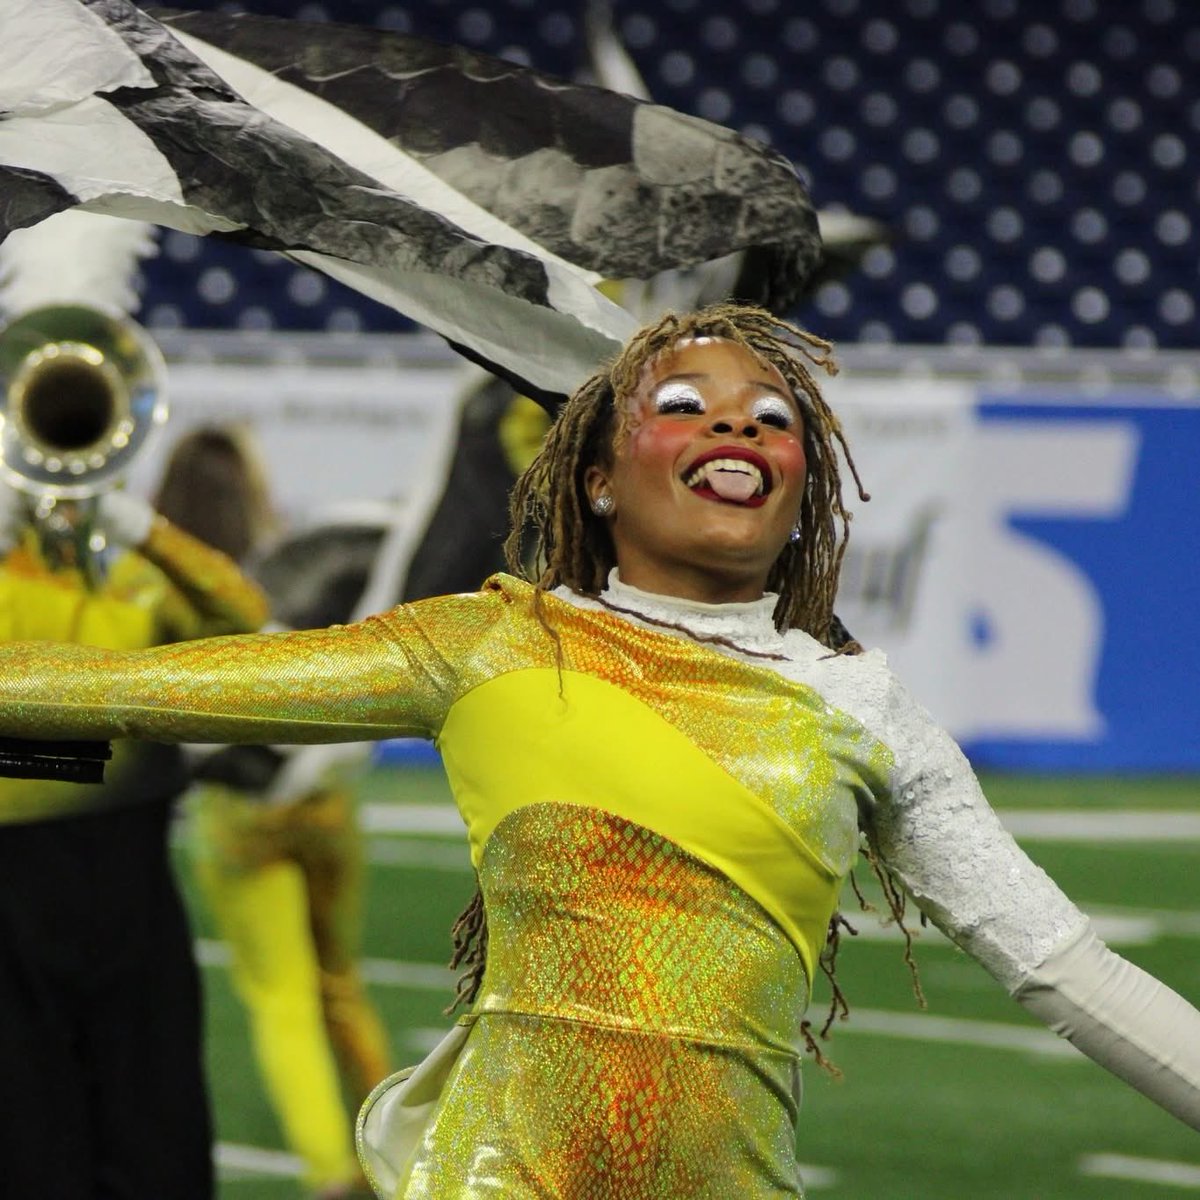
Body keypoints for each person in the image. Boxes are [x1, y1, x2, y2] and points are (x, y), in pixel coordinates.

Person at [0, 304, 1195, 1199]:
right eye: (684, 407)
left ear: (803, 489)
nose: (737, 423)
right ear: (598, 478)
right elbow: (117, 694)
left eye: (773, 418)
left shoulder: (865, 710)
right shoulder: (488, 646)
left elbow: (1067, 973)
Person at [0, 478, 269, 1200]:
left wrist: (144, 528)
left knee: (160, 1139)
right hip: (11, 898)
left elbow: (244, 619)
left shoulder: (134, 579)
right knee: (28, 1144)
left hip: (131, 889)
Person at [155, 426, 390, 1199]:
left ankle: (331, 1172)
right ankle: (409, 1151)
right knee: (340, 986)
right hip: (319, 796)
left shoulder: (166, 580)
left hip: (235, 814)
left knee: (281, 999)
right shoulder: (287, 560)